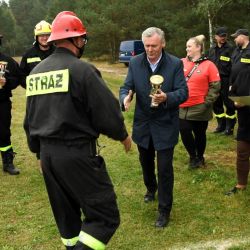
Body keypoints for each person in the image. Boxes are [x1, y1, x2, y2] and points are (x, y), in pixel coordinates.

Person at [24, 11, 132, 250]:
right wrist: (122, 135)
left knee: (67, 219)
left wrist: (39, 154)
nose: (83, 43)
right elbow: (106, 111)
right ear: (75, 40)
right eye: (82, 39)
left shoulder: (35, 74)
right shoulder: (82, 70)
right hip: (77, 155)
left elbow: (29, 120)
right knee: (105, 217)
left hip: (49, 157)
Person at [120, 27, 188, 228]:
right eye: (147, 46)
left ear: (163, 44)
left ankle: (164, 210)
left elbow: (183, 92)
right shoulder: (134, 62)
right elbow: (126, 86)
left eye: (154, 46)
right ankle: (151, 188)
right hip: (143, 123)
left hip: (166, 123)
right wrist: (125, 97)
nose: (150, 50)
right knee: (145, 162)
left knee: (165, 168)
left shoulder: (175, 63)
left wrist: (167, 97)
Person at [179, 35, 220, 169]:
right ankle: (192, 156)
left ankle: (200, 157)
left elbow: (215, 86)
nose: (187, 49)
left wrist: (207, 102)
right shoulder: (181, 62)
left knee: (199, 134)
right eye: (186, 46)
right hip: (182, 106)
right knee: (184, 131)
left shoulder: (209, 65)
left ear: (198, 47)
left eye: (189, 46)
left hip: (200, 106)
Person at [20, 20, 55, 173]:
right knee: (33, 127)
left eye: (47, 35)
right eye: (41, 35)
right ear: (36, 36)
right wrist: (32, 86)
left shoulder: (58, 51)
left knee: (56, 127)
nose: (44, 38)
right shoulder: (28, 55)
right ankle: (40, 159)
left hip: (56, 99)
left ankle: (57, 159)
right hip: (36, 100)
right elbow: (22, 76)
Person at [0, 34, 23, 175]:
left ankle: (8, 163)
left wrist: (6, 82)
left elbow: (18, 78)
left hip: (1, 103)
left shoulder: (7, 61)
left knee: (3, 133)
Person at [225, 65, 250, 195]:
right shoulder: (244, 72)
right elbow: (231, 92)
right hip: (245, 123)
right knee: (242, 153)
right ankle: (241, 184)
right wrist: (236, 102)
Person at [208, 27, 235, 135]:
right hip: (214, 80)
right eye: (221, 36)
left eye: (224, 36)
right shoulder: (211, 49)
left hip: (226, 79)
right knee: (216, 103)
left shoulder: (231, 49)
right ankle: (221, 125)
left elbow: (234, 66)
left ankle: (230, 127)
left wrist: (232, 82)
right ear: (215, 37)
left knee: (229, 104)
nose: (223, 38)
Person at [227, 29, 250, 135]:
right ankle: (242, 133)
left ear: (243, 37)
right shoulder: (236, 50)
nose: (235, 39)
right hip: (235, 85)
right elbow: (233, 67)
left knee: (246, 110)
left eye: (236, 37)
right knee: (239, 109)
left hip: (246, 86)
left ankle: (244, 135)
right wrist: (231, 84)